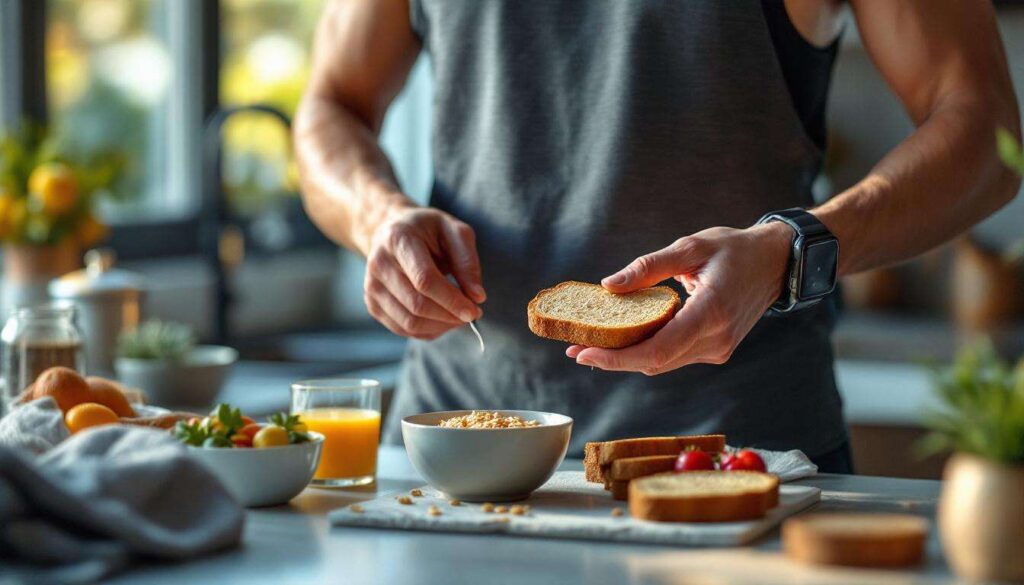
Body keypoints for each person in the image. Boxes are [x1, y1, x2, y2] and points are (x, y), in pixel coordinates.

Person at [294, 0, 1020, 472]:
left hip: (738, 466)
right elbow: (331, 103)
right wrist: (376, 216)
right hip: (456, 452)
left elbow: (985, 129)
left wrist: (791, 250)